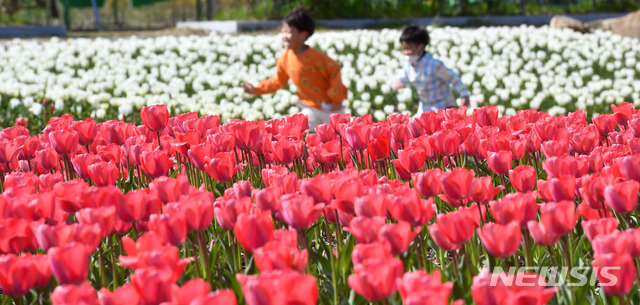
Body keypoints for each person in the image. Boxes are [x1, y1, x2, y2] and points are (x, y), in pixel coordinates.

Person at [242, 6, 348, 132]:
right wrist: (255, 89)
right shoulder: (285, 59)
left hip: (332, 109)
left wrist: (336, 99)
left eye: (288, 31)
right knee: (306, 132)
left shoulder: (316, 57)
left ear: (303, 35)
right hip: (310, 107)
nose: (284, 36)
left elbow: (334, 70)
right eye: (282, 31)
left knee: (342, 137)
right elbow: (277, 81)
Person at [392, 24, 470, 114]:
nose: (406, 53)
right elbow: (403, 76)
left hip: (444, 107)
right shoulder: (408, 65)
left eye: (409, 49)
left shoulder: (434, 65)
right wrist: (397, 82)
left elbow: (453, 77)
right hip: (425, 108)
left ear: (421, 47)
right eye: (403, 49)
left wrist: (464, 94)